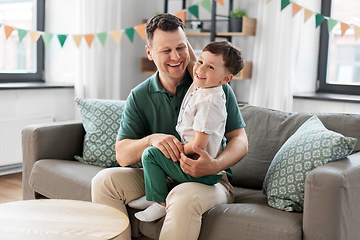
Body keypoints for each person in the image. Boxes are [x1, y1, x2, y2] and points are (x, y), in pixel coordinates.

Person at [91, 13, 248, 240]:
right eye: (166, 50)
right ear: (149, 53)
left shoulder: (212, 86)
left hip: (211, 180)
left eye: (181, 47)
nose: (176, 57)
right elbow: (122, 155)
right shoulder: (140, 95)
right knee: (104, 182)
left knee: (183, 197)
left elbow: (241, 141)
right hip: (163, 175)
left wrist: (213, 165)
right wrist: (152, 139)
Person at [130, 41, 245, 223]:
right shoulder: (202, 82)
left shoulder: (209, 102)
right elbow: (193, 58)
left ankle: (159, 202)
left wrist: (179, 150)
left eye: (210, 67)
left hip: (201, 170)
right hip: (194, 162)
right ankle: (154, 195)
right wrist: (181, 34)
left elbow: (199, 145)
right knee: (156, 152)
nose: (200, 69)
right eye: (200, 62)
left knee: (151, 154)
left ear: (226, 79)